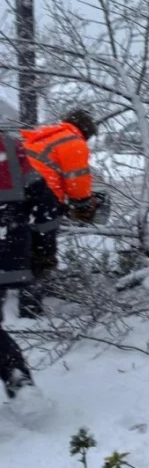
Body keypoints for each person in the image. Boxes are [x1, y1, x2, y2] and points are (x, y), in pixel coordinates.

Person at [19, 109, 99, 318]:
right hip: (38, 197)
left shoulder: (44, 136)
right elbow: (77, 183)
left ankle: (23, 294)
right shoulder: (74, 142)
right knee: (41, 252)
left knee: (17, 245)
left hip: (11, 195)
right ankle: (30, 308)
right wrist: (83, 207)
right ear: (86, 131)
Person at [0, 100, 37, 398]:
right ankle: (18, 381)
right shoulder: (11, 149)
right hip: (9, 249)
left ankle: (18, 381)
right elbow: (44, 200)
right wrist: (43, 250)